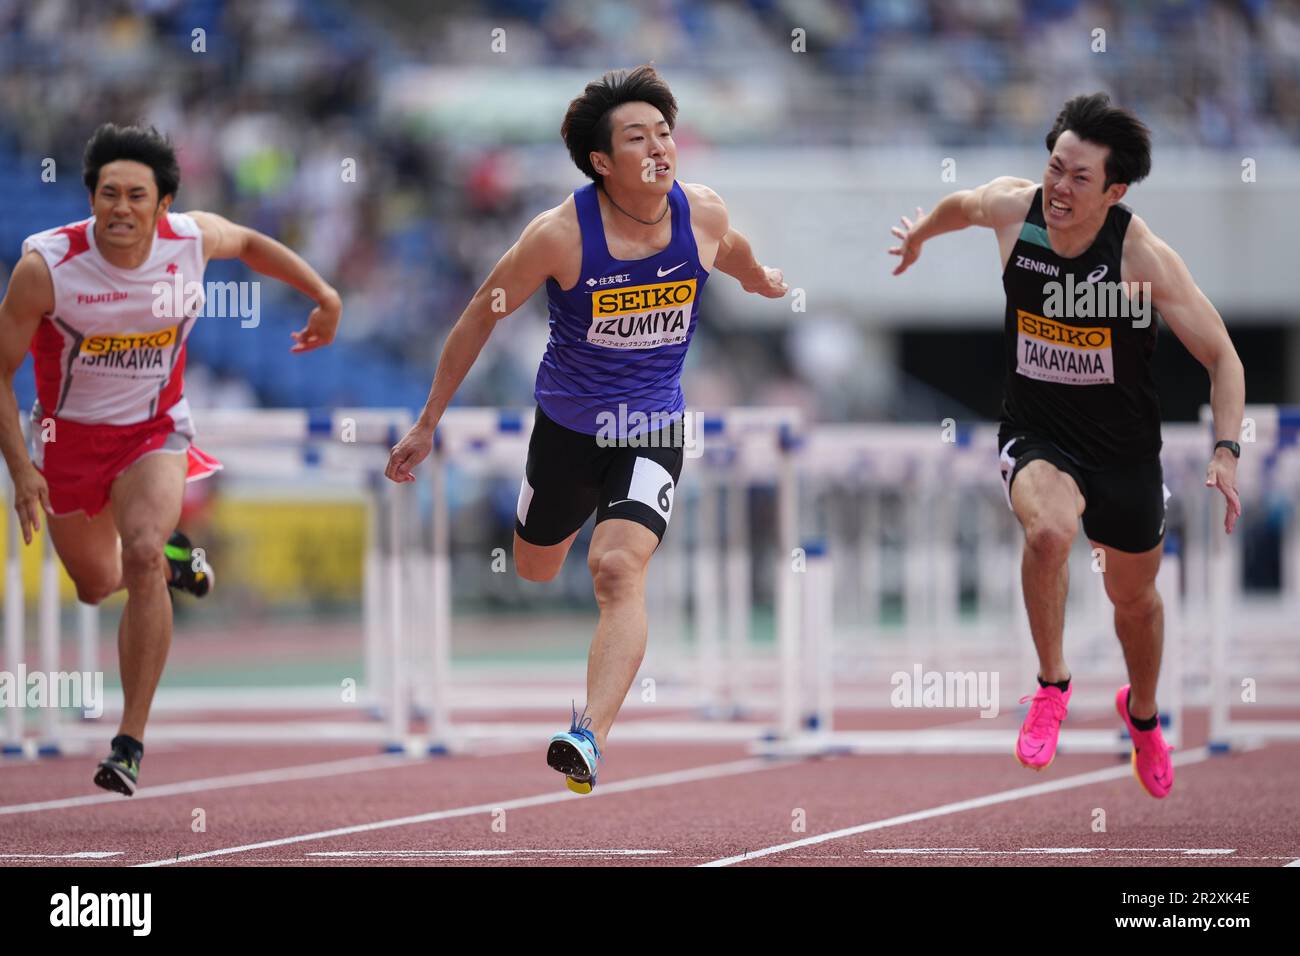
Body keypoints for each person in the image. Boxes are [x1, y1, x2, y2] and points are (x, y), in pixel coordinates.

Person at [386, 65, 787, 793]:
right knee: (537, 567)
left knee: (617, 569)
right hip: (568, 432)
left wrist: (759, 280)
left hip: (653, 425)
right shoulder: (559, 236)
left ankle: (588, 736)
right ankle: (548, 550)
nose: (661, 149)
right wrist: (427, 422)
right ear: (603, 161)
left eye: (665, 133)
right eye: (639, 138)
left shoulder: (702, 214)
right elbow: (482, 313)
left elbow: (730, 253)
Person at [888, 93, 1245, 798]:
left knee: (1133, 602)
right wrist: (920, 237)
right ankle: (1052, 687)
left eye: (1080, 178)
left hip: (1125, 454)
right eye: (1055, 168)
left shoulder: (1139, 254)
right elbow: (960, 204)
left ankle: (1142, 717)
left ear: (1113, 190)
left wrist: (1226, 449)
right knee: (1049, 533)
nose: (1059, 187)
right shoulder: (1013, 211)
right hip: (1038, 433)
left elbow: (1224, 357)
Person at [0, 124, 342, 794]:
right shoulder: (47, 267)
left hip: (154, 432)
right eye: (107, 194)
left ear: (163, 205)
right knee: (97, 586)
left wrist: (323, 296)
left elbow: (247, 243)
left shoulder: (191, 239)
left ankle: (128, 741)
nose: (120, 208)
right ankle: (181, 556)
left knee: (141, 553)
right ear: (91, 198)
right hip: (68, 441)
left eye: (135, 196)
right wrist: (21, 467)